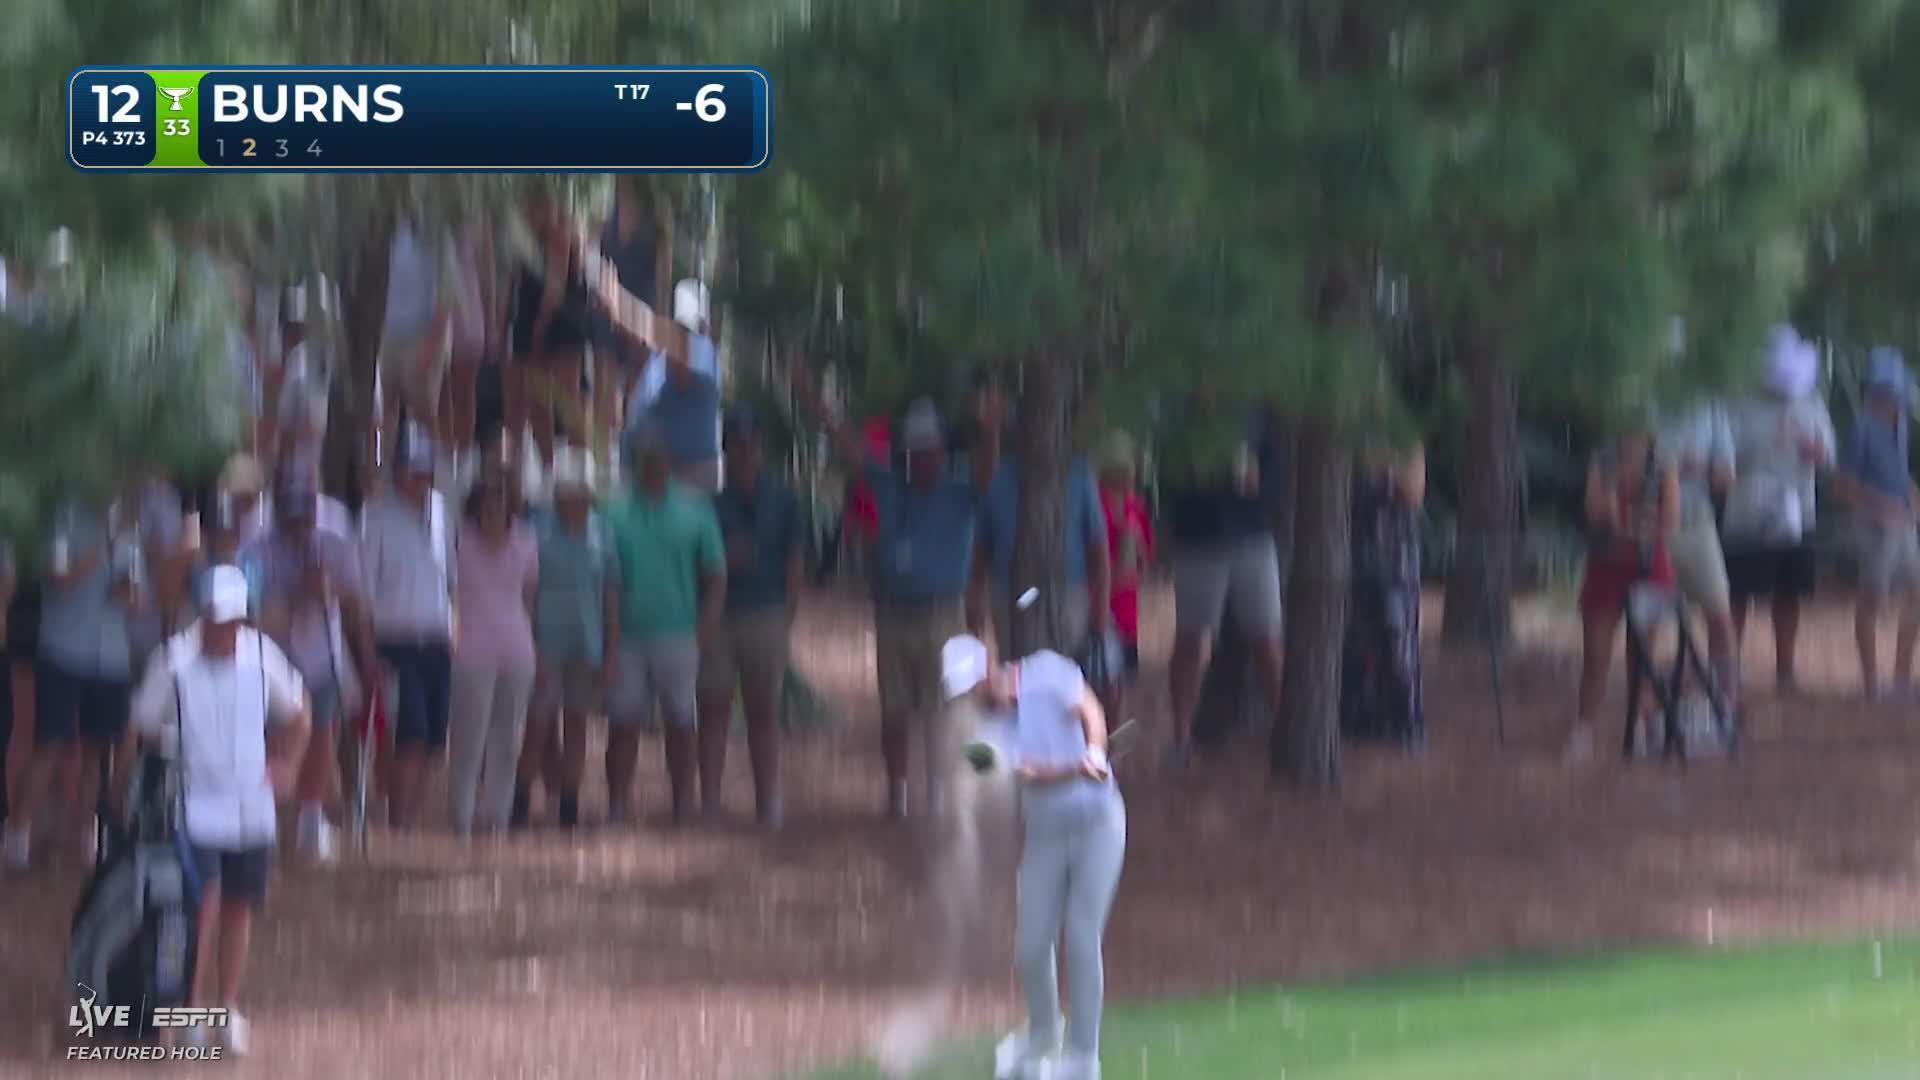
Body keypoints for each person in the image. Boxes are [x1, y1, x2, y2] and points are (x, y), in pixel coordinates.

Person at [790, 359, 1001, 819]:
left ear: (943, 450)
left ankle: (941, 790)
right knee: (895, 710)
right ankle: (897, 792)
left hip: (943, 614)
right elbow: (847, 442)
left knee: (943, 709)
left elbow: (987, 472)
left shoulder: (960, 491)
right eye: (917, 449)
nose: (924, 457)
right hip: (892, 613)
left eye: (932, 449)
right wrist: (811, 398)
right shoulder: (889, 485)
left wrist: (989, 429)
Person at [128, 564, 310, 1058]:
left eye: (232, 619)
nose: (225, 629)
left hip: (252, 808)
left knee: (238, 907)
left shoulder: (260, 656)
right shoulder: (173, 662)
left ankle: (226, 1008)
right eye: (215, 618)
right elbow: (141, 726)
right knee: (200, 908)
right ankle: (190, 1012)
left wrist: (286, 765)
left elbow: (298, 712)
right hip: (196, 807)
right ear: (201, 615)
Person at [942, 635, 1124, 1080]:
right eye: (962, 693)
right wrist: (1072, 769)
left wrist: (1096, 750)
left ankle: (1083, 1059)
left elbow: (1088, 706)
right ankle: (1042, 1036)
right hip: (1045, 836)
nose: (970, 697)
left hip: (1099, 825)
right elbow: (1026, 776)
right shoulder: (977, 739)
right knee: (1030, 944)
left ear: (988, 667)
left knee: (1081, 937)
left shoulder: (1046, 666)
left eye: (972, 687)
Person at [244, 461, 377, 860]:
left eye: (305, 513)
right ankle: (263, 820)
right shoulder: (255, 544)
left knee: (323, 733)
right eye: (291, 514)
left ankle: (310, 819)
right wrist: (301, 596)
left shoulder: (334, 535)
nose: (299, 523)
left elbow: (354, 599)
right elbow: (252, 611)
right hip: (272, 659)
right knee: (272, 740)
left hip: (322, 654)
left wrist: (365, 656)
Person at [3, 497, 137, 870]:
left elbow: (134, 595)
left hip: (111, 655)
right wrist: (97, 550)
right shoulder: (62, 519)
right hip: (63, 650)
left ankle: (85, 835)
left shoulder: (129, 527)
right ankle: (17, 836)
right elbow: (57, 579)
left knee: (97, 751)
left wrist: (129, 590)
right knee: (49, 745)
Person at [603, 418, 726, 822]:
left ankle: (682, 804)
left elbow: (715, 573)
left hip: (679, 633)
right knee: (623, 723)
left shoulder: (695, 509)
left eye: (657, 457)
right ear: (634, 461)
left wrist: (705, 628)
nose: (651, 464)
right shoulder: (613, 511)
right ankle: (618, 805)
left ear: (669, 461)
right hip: (627, 636)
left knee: (680, 722)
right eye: (643, 457)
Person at [1161, 396, 1288, 767]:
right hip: (1200, 538)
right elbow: (1170, 480)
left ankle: (1285, 732)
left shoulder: (1257, 413)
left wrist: (1258, 485)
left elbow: (1276, 475)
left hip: (1253, 536)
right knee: (1192, 637)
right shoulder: (1183, 418)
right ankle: (1181, 738)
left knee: (1267, 638)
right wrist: (1206, 478)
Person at [698, 407, 803, 828]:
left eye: (751, 445)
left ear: (762, 450)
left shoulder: (785, 500)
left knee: (763, 712)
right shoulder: (710, 506)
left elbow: (796, 561)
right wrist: (724, 561)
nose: (745, 453)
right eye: (737, 446)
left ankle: (768, 802)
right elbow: (700, 565)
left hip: (767, 615)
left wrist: (787, 617)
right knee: (713, 710)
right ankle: (708, 802)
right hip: (721, 618)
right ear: (726, 451)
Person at [1724, 326, 1836, 693]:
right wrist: (1760, 446)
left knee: (1790, 592)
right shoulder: (1738, 401)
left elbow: (1829, 456)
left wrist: (1813, 451)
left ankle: (1785, 669)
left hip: (1797, 512)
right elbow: (1722, 456)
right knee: (1737, 592)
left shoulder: (1811, 402)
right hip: (1746, 513)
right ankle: (1727, 667)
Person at [359, 425, 456, 829]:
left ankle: (411, 822)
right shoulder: (376, 518)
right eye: (412, 471)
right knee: (410, 737)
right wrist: (368, 656)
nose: (419, 479)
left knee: (433, 741)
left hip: (437, 641)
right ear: (397, 472)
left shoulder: (439, 510)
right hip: (396, 644)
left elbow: (449, 579)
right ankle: (398, 824)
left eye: (424, 471)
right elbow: (362, 595)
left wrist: (455, 630)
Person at [518, 447, 615, 828]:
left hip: (587, 645)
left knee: (577, 724)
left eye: (581, 492)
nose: (575, 499)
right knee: (538, 725)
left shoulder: (602, 533)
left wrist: (610, 650)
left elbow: (610, 594)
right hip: (546, 645)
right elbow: (526, 594)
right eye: (568, 492)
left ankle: (569, 803)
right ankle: (521, 798)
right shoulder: (536, 532)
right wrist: (532, 643)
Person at [1570, 424, 1680, 760]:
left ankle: (1641, 727)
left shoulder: (1663, 463)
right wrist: (1628, 517)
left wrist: (1625, 522)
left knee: (1643, 656)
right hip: (1606, 565)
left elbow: (1670, 520)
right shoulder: (1602, 461)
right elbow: (1597, 513)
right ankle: (1585, 729)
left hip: (1650, 566)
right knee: (1596, 656)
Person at [974, 397, 1111, 662]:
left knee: (1066, 674)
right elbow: (982, 545)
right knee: (1018, 670)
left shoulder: (1078, 472)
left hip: (1068, 592)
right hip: (1012, 592)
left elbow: (1098, 545)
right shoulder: (999, 476)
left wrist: (1101, 611)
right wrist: (974, 593)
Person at [447, 476, 539, 835]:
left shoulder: (526, 542)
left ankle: (497, 817)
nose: (493, 511)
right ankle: (461, 818)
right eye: (487, 505)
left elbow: (529, 596)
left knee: (507, 739)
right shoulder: (459, 542)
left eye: (500, 504)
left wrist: (528, 635)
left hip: (517, 651)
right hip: (471, 651)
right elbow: (450, 593)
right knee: (469, 739)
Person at [1836, 348, 1920, 698]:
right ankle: (1872, 683)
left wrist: (1912, 494)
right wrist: (1882, 505)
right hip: (1874, 528)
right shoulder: (1861, 431)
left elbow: (1899, 475)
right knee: (1872, 600)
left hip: (1904, 526)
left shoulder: (1900, 428)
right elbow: (1843, 489)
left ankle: (1902, 677)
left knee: (1917, 594)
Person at [1654, 398, 1740, 708]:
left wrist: (1698, 467)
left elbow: (1726, 478)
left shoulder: (1712, 407)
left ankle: (1725, 705)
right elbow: (1628, 466)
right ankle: (1645, 711)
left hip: (1697, 522)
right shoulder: (1642, 403)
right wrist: (1670, 467)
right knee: (1648, 621)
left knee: (1719, 613)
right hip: (1652, 526)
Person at [1340, 441, 1426, 749]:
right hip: (1352, 551)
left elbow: (1412, 493)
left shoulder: (1405, 440)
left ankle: (1406, 721)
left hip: (1395, 557)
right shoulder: (1342, 442)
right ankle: (1359, 717)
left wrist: (1384, 460)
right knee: (1356, 638)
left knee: (1397, 637)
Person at [510, 192, 594, 470]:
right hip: (529, 308)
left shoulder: (562, 231)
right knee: (536, 401)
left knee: (567, 398)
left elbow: (554, 289)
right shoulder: (523, 229)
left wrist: (539, 328)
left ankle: (580, 468)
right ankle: (548, 469)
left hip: (561, 320)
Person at [1096, 431, 1153, 724]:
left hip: (1126, 612)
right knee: (1104, 685)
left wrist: (1134, 540)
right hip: (1101, 609)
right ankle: (1097, 749)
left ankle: (1113, 752)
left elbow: (1143, 563)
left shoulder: (1136, 508)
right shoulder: (1095, 504)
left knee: (1119, 688)